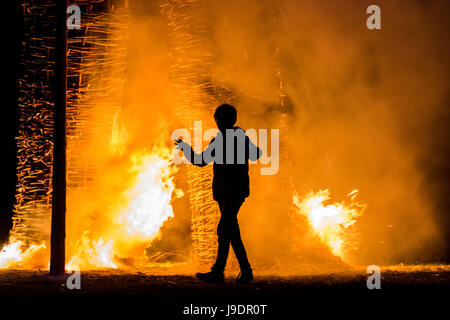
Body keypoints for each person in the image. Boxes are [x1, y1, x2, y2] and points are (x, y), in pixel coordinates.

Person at [174, 104, 262, 284]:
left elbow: (255, 154)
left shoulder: (235, 138)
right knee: (231, 232)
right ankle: (244, 272)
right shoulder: (225, 140)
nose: (219, 123)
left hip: (233, 192)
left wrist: (185, 148)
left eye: (220, 120)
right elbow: (201, 161)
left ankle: (220, 272)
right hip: (227, 192)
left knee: (225, 230)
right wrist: (186, 148)